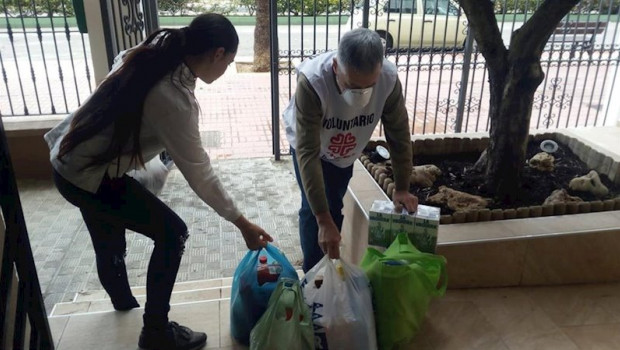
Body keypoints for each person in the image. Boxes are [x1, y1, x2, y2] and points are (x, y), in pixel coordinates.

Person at [44, 13, 272, 350]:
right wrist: (242, 223)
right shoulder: (172, 99)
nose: (225, 72)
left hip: (70, 161)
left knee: (109, 239)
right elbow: (200, 173)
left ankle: (125, 311)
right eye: (228, 63)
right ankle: (154, 332)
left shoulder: (155, 49)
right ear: (218, 54)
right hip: (87, 174)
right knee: (172, 233)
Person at [283, 28, 418, 272]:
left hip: (345, 150)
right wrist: (323, 219)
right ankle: (314, 276)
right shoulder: (313, 82)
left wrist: (401, 187)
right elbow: (308, 153)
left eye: (369, 86)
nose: (360, 95)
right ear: (336, 66)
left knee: (334, 204)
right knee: (315, 212)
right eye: (352, 85)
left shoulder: (388, 79)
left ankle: (330, 266)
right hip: (311, 147)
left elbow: (398, 134)